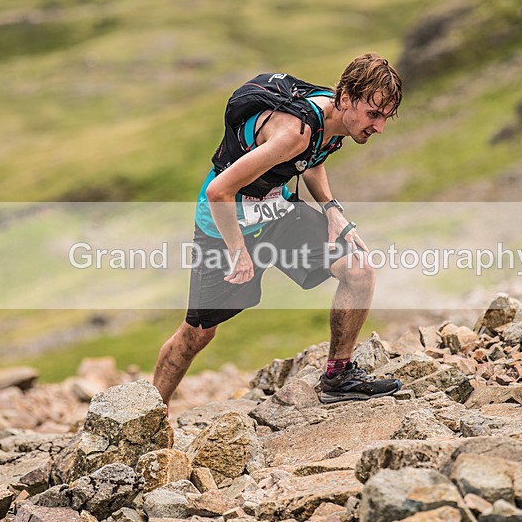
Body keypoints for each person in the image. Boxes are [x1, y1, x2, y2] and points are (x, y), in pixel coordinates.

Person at [153, 53, 403, 412]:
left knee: (359, 268)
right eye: (374, 114)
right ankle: (149, 413)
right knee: (198, 333)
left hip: (275, 212)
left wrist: (332, 210)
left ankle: (338, 376)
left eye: (385, 117)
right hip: (224, 224)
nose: (378, 127)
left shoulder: (335, 123)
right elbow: (218, 192)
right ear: (346, 98)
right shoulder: (293, 133)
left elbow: (312, 160)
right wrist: (239, 251)